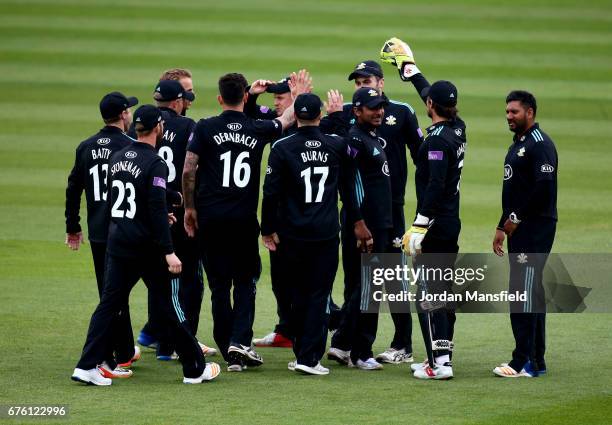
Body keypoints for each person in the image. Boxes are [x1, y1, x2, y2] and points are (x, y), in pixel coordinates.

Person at [72, 105, 220, 385]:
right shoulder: (156, 163)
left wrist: (167, 201)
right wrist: (169, 251)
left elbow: (128, 199)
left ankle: (86, 365)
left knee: (108, 305)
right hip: (146, 247)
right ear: (158, 129)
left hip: (118, 243)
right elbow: (152, 207)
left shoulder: (118, 157)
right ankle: (195, 368)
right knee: (169, 305)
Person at [182, 71, 310, 371]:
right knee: (244, 282)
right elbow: (287, 120)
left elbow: (188, 170)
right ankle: (241, 341)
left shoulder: (205, 127)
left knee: (217, 286)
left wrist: (190, 208)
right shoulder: (257, 128)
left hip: (210, 218)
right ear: (243, 97)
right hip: (242, 219)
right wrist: (300, 94)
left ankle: (228, 346)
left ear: (219, 99)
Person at [381, 37, 467, 380]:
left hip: (437, 223)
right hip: (451, 222)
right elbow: (430, 94)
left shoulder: (435, 141)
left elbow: (435, 185)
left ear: (431, 105)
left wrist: (418, 225)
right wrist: (410, 70)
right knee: (442, 290)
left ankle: (439, 364)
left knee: (429, 294)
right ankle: (440, 354)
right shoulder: (458, 128)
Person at [326, 60, 423, 364]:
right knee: (356, 278)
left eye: (366, 80)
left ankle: (402, 343)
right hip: (358, 211)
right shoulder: (348, 117)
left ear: (381, 81)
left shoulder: (402, 112)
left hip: (389, 210)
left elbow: (421, 155)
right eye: (357, 82)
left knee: (390, 278)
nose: (362, 85)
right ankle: (351, 344)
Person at [260, 93, 362, 375]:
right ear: (320, 116)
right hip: (325, 232)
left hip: (291, 233)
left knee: (296, 294)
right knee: (319, 294)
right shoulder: (336, 145)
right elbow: (349, 190)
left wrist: (267, 229)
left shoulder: (281, 147)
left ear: (297, 117)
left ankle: (301, 353)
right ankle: (308, 358)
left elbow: (270, 193)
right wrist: (357, 222)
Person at [246, 75, 346, 348]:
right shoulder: (288, 123)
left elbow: (304, 139)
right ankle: (288, 330)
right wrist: (253, 95)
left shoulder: (305, 131)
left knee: (308, 288)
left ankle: (317, 334)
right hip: (289, 224)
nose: (276, 104)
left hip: (295, 225)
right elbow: (250, 116)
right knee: (282, 282)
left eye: (281, 98)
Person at [134, 80, 216, 360]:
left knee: (161, 277)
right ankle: (183, 344)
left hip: (151, 213)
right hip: (182, 213)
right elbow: (194, 169)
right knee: (191, 279)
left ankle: (160, 341)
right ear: (178, 101)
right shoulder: (188, 126)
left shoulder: (142, 127)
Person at [65, 91, 141, 373]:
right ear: (123, 115)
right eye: (128, 110)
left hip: (98, 232)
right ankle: (110, 358)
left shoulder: (86, 146)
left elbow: (73, 189)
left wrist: (73, 226)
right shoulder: (131, 146)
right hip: (127, 232)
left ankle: (123, 350)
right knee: (116, 296)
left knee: (110, 293)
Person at [492, 90, 558, 378]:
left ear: (530, 112)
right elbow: (515, 191)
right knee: (530, 292)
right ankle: (536, 360)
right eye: (507, 111)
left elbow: (544, 189)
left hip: (535, 227)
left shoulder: (540, 145)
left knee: (523, 293)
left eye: (514, 112)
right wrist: (500, 225)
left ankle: (523, 362)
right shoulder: (519, 143)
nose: (509, 116)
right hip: (519, 227)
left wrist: (515, 218)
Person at [327, 87, 392, 371]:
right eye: (372, 108)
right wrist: (359, 223)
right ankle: (354, 348)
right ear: (357, 111)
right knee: (369, 288)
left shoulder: (369, 137)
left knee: (359, 286)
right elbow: (347, 180)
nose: (378, 112)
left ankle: (348, 346)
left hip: (372, 223)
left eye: (381, 107)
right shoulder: (355, 139)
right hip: (366, 225)